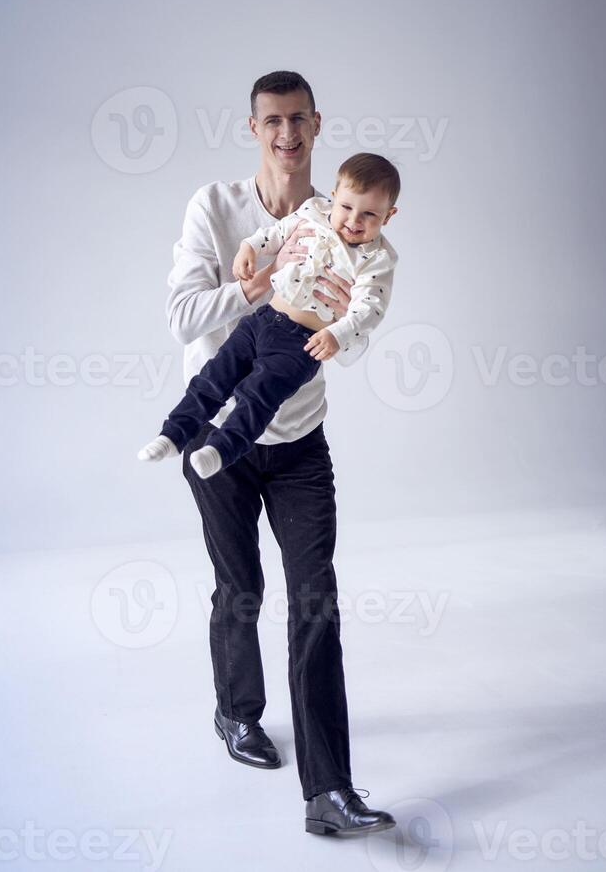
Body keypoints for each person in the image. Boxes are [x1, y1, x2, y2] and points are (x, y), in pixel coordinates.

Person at [144, 70, 397, 836]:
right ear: (254, 128)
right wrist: (270, 287)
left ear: (317, 127)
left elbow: (349, 344)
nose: (287, 134)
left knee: (315, 598)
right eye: (272, 121)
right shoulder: (215, 207)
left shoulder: (346, 218)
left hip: (298, 445)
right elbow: (184, 314)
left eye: (299, 121)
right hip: (218, 437)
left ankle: (328, 794)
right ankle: (237, 713)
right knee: (241, 586)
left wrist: (335, 315)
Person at [137, 152, 399, 479]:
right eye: (346, 207)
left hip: (301, 344)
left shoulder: (376, 260)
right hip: (264, 319)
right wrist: (250, 248)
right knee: (216, 373)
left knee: (260, 394)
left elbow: (369, 310)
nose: (353, 221)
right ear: (333, 198)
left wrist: (338, 333)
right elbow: (275, 234)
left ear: (388, 216)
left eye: (369, 215)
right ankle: (174, 433)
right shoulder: (314, 213)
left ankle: (222, 449)